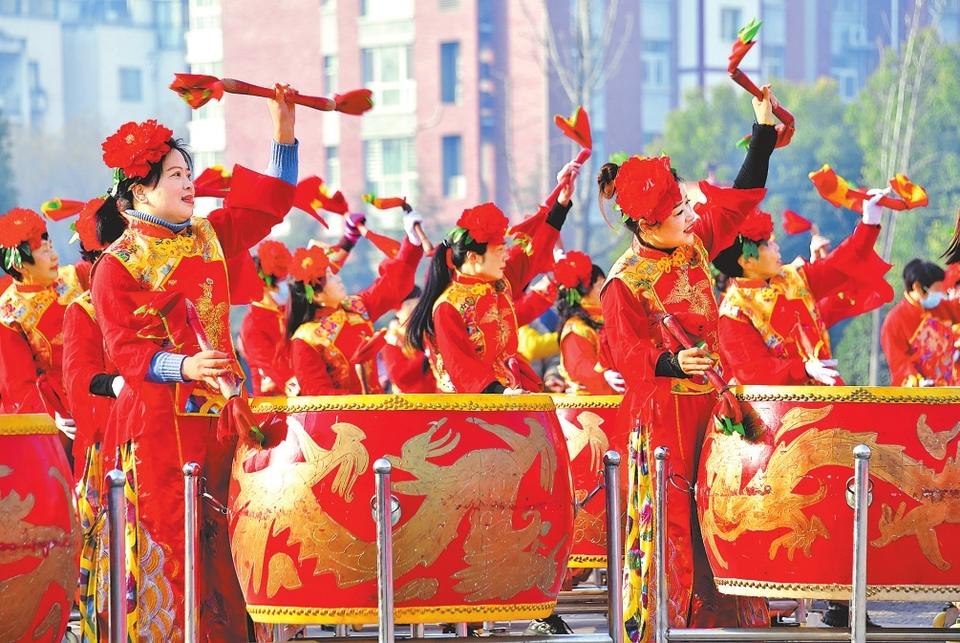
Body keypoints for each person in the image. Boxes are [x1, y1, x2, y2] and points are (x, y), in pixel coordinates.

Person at [90, 85, 298, 639]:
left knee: (237, 544)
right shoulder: (116, 265)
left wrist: (283, 133)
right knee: (176, 552)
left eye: (189, 172)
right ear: (139, 192)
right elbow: (124, 350)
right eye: (176, 175)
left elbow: (266, 207)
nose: (189, 183)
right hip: (160, 427)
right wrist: (184, 368)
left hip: (226, 416)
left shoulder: (211, 235)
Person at [599, 87, 776, 641]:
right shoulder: (624, 282)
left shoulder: (692, 246)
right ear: (646, 225)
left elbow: (736, 203)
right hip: (664, 422)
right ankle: (668, 627)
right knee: (675, 527)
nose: (690, 214)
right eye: (679, 210)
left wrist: (763, 134)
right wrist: (672, 362)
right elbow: (626, 355)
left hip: (714, 409)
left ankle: (729, 626)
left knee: (723, 513)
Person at [405, 185, 572, 394]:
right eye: (499, 251)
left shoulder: (498, 281)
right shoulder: (448, 307)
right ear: (473, 258)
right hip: (467, 405)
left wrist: (560, 204)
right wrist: (499, 392)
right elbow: (462, 367)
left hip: (509, 390)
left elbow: (531, 253)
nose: (505, 256)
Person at [714, 191, 893, 385]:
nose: (777, 247)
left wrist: (869, 222)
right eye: (768, 244)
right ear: (747, 260)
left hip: (827, 390)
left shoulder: (794, 277)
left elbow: (840, 264)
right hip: (782, 410)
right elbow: (754, 372)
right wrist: (804, 369)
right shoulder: (733, 312)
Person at [60, 196, 125, 641]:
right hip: (110, 445)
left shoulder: (155, 295)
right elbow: (78, 376)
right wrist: (118, 384)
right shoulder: (82, 310)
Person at [287, 210, 424, 395]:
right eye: (330, 277)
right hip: (342, 421)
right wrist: (361, 401)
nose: (338, 279)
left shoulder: (355, 308)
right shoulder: (306, 339)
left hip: (378, 410)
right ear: (317, 296)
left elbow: (392, 285)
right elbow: (318, 396)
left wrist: (412, 241)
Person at [0, 207, 85, 440]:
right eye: (45, 252)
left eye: (52, 248)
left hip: (99, 384)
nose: (55, 256)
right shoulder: (9, 315)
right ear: (19, 265)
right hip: (60, 413)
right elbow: (19, 387)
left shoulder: (75, 277)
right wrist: (52, 418)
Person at [881, 258, 960, 386]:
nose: (941, 294)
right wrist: (917, 381)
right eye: (937, 290)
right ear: (917, 287)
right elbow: (899, 364)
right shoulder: (894, 321)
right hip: (922, 394)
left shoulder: (942, 306)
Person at [554, 251, 623, 395]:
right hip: (588, 407)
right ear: (584, 291)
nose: (605, 290)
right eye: (600, 285)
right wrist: (604, 375)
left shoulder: (609, 318)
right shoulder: (576, 328)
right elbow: (579, 367)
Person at [238, 239, 297, 396]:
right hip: (273, 404)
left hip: (300, 393)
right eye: (282, 282)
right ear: (266, 285)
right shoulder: (252, 325)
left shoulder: (287, 311)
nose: (287, 286)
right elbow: (274, 368)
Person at [382, 286, 438, 394]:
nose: (416, 308)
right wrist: (428, 354)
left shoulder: (430, 329)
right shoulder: (392, 339)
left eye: (419, 304)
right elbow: (400, 376)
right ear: (397, 312)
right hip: (413, 402)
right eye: (409, 305)